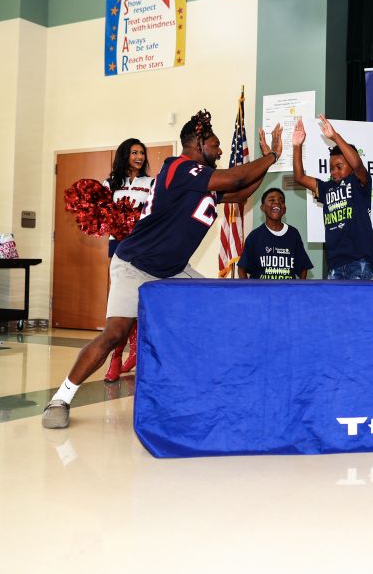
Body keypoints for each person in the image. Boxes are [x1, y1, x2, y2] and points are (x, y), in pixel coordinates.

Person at [43, 111, 282, 428]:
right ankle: (60, 399)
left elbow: (241, 191)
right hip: (135, 264)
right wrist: (272, 155)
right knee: (114, 334)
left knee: (218, 308)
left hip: (172, 269)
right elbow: (236, 178)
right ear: (198, 143)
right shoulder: (177, 168)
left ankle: (214, 389)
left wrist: (267, 163)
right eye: (216, 144)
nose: (221, 150)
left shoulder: (203, 184)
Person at [291, 114, 373, 279]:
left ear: (350, 166)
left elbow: (357, 165)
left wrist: (335, 137)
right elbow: (299, 177)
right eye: (331, 168)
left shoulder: (359, 182)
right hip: (334, 263)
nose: (334, 172)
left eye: (339, 166)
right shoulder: (326, 188)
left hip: (360, 262)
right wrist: (296, 146)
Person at [101, 138, 154, 382]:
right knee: (120, 304)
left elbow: (153, 214)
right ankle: (115, 357)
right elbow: (101, 215)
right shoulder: (109, 183)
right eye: (134, 152)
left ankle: (134, 351)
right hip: (118, 246)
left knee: (138, 300)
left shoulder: (151, 183)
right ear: (125, 155)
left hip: (143, 245)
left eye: (142, 153)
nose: (139, 157)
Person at [239, 188, 313, 280]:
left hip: (287, 292)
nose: (277, 202)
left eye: (281, 201)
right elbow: (242, 268)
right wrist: (247, 291)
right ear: (262, 208)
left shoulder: (293, 234)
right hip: (261, 292)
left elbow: (303, 268)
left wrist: (298, 291)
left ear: (284, 209)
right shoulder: (254, 236)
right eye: (272, 200)